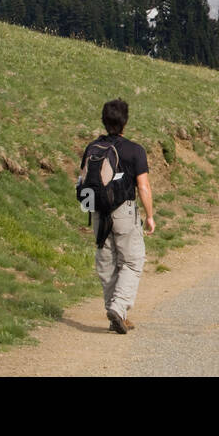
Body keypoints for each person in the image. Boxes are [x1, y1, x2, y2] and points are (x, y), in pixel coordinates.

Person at [82, 98, 155, 334]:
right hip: (124, 211)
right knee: (133, 262)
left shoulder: (93, 148)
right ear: (125, 122)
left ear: (104, 121)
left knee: (107, 263)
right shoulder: (135, 150)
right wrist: (150, 215)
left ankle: (115, 312)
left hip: (97, 211)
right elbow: (143, 187)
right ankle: (119, 308)